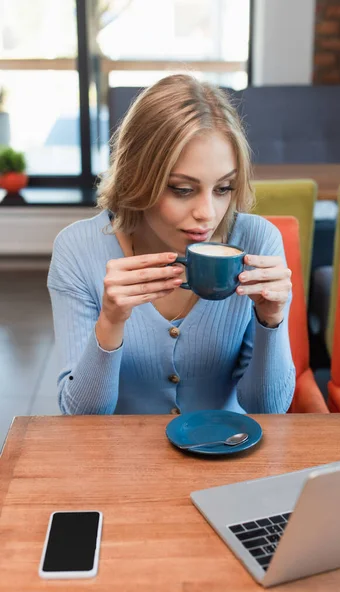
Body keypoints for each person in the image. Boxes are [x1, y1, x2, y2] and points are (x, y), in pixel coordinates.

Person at [47, 74, 295, 416]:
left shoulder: (257, 241)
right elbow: (80, 417)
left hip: (228, 455)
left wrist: (272, 320)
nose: (207, 214)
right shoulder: (77, 250)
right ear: (137, 177)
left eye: (223, 189)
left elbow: (268, 408)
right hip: (122, 464)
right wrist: (110, 322)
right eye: (182, 189)